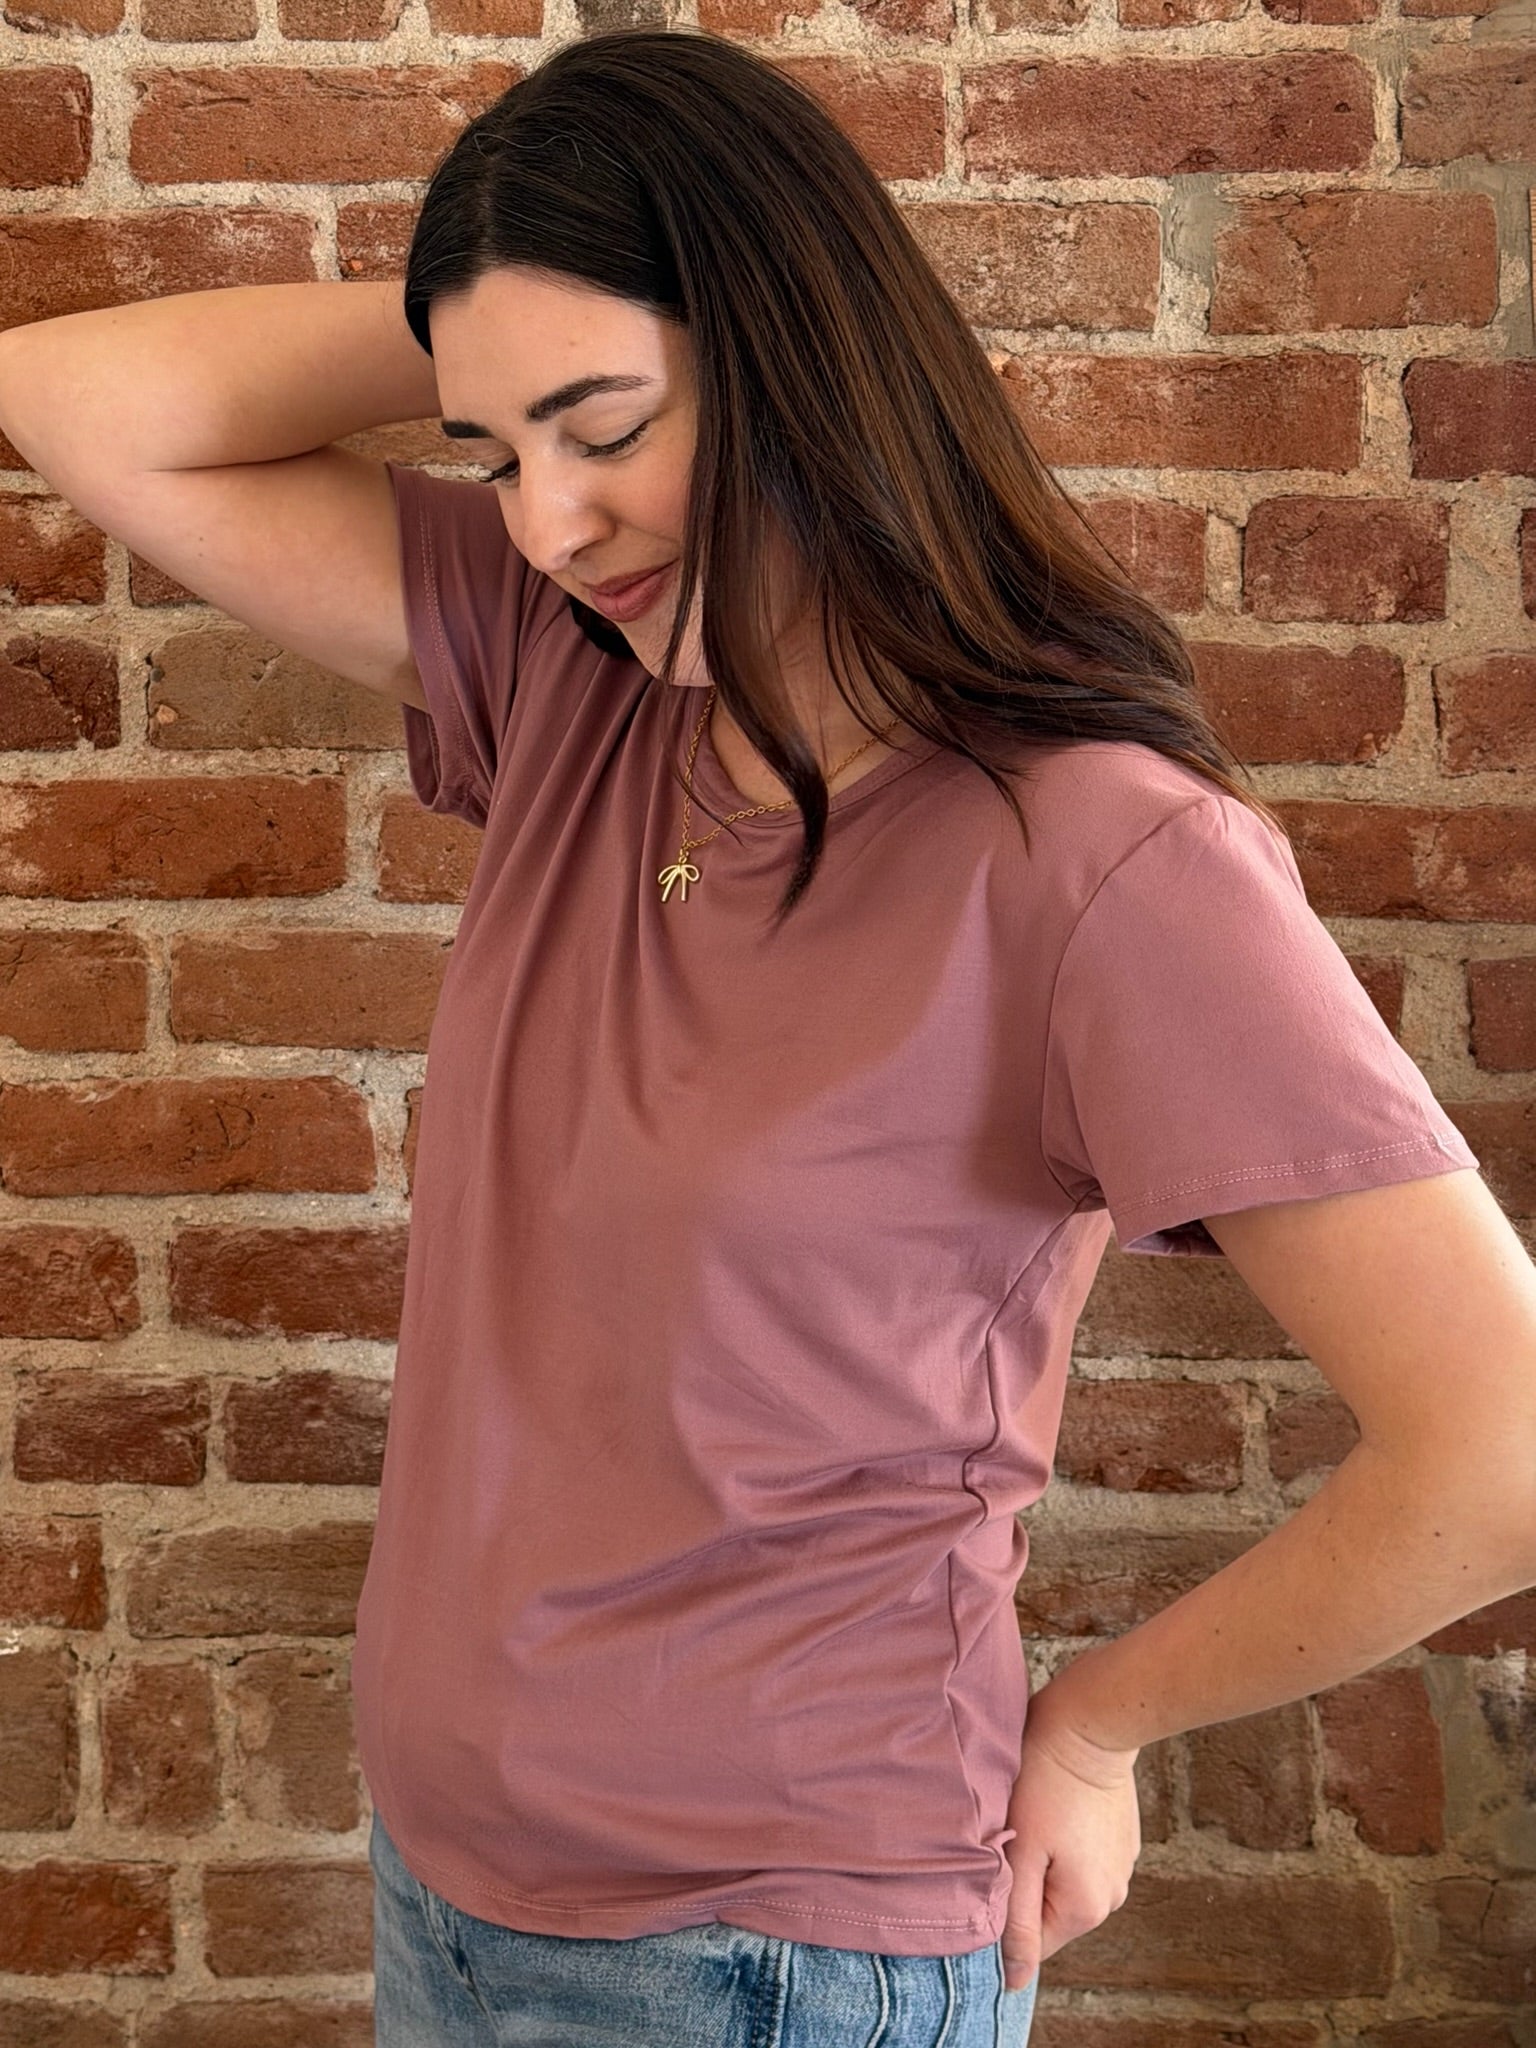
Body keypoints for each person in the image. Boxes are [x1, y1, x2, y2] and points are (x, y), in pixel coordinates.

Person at [1, 25, 1533, 2048]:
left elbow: (1504, 1442)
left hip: (768, 1960)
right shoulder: (577, 676)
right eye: (498, 456)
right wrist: (489, 313)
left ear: (794, 351)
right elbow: (72, 401)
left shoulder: (1098, 857)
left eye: (603, 427)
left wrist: (1098, 1726)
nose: (547, 523)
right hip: (446, 1889)